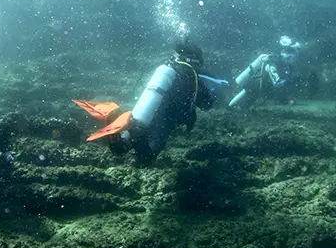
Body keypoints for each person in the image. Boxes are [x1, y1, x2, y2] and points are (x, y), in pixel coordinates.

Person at [75, 39, 229, 165]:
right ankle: (132, 133)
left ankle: (116, 122)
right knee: (147, 157)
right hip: (164, 120)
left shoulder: (168, 69)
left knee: (123, 146)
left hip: (145, 110)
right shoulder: (190, 75)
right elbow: (206, 104)